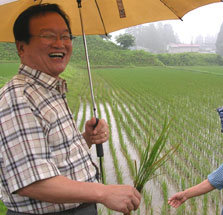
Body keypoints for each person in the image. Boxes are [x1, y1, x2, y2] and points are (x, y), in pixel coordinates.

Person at [0, 4, 141, 215]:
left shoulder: (49, 89)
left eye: (66, 36)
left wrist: (87, 138)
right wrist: (102, 192)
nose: (60, 44)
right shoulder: (18, 96)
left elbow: (55, 157)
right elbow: (32, 181)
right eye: (48, 36)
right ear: (22, 47)